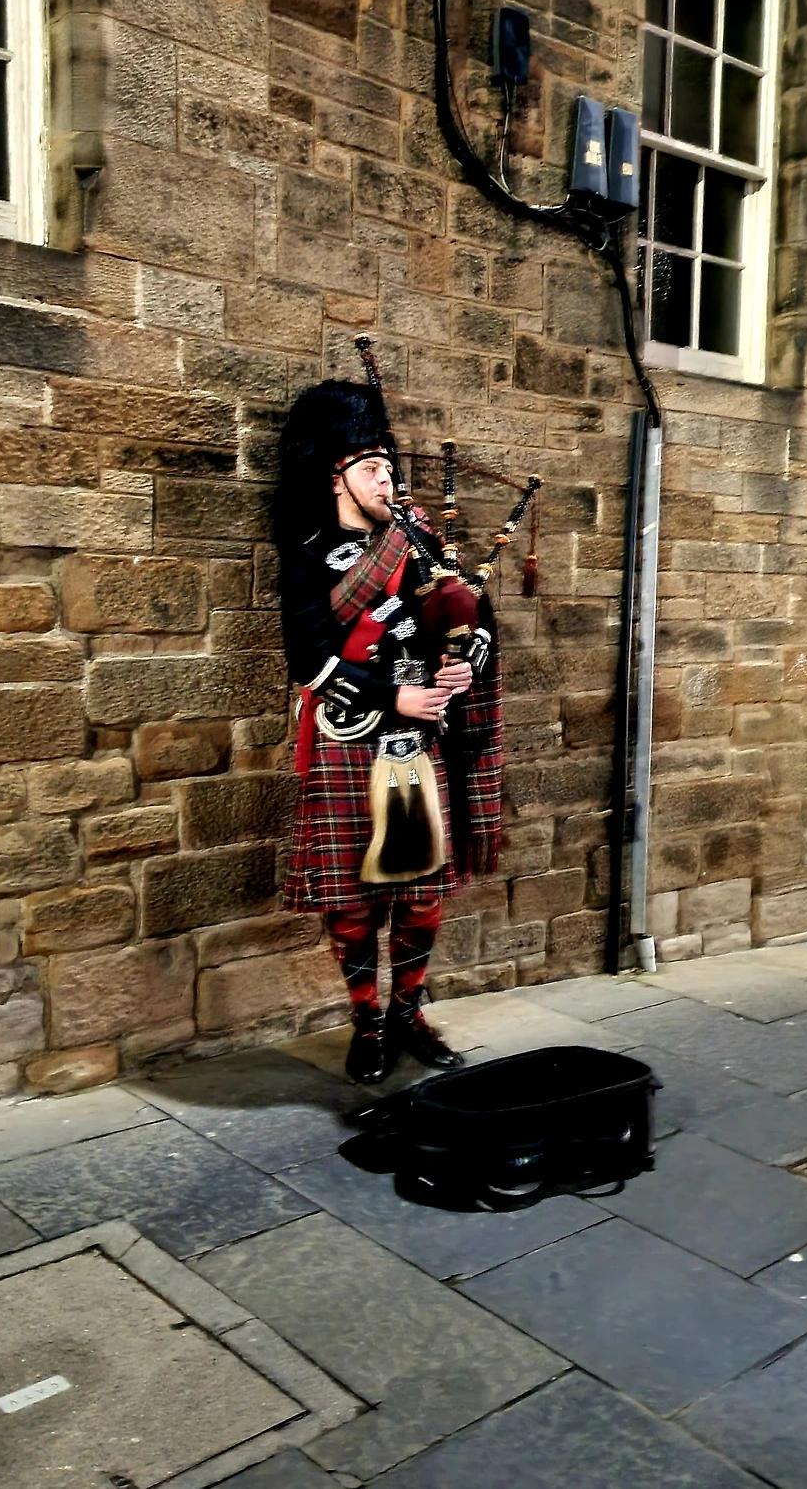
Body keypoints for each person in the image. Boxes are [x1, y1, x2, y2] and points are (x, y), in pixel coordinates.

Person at [276, 380, 503, 1085]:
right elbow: (309, 662)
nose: (387, 481)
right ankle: (367, 1021)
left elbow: (475, 619)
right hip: (350, 739)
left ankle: (409, 1013)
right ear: (335, 478)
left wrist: (465, 664)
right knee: (351, 904)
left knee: (422, 894)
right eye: (372, 469)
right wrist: (395, 695)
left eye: (388, 468)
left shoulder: (420, 544)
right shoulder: (309, 555)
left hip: (419, 742)